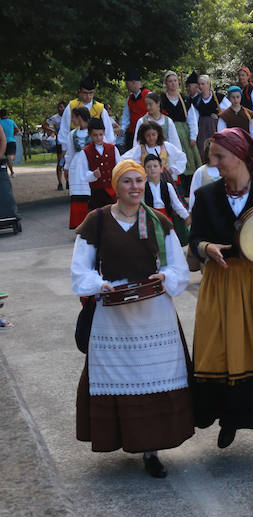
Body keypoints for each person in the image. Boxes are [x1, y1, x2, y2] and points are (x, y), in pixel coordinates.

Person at [70, 158, 194, 478]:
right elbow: (80, 269)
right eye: (128, 181)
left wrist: (164, 278)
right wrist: (100, 285)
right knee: (120, 377)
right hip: (113, 315)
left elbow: (178, 269)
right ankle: (125, 438)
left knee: (151, 378)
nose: (135, 187)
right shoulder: (96, 222)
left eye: (139, 181)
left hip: (154, 312)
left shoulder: (159, 221)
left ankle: (152, 450)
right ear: (115, 186)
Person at [188, 128, 253, 449]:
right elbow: (194, 240)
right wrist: (207, 248)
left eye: (220, 157)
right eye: (212, 158)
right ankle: (229, 419)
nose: (214, 164)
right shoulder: (206, 195)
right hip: (221, 283)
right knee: (222, 350)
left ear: (239, 155)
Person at [68, 116, 118, 213]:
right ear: (89, 134)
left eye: (100, 134)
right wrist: (92, 175)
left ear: (104, 132)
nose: (98, 138)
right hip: (96, 193)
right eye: (95, 135)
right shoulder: (85, 152)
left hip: (113, 191)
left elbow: (119, 167)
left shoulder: (113, 149)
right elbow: (83, 174)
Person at [159, 71, 201, 183]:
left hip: (184, 133)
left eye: (175, 80)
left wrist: (193, 137)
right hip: (167, 133)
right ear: (166, 83)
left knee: (188, 160)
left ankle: (189, 188)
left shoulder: (185, 99)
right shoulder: (161, 100)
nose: (173, 83)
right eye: (170, 81)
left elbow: (192, 119)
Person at [142, 152, 190, 245]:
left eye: (155, 166)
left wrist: (186, 215)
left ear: (161, 169)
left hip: (166, 218)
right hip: (151, 218)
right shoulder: (143, 187)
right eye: (149, 167)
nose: (152, 169)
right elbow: (141, 206)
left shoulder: (168, 186)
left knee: (170, 242)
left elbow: (176, 204)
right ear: (144, 170)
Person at [124, 120, 186, 186]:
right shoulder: (140, 149)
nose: (151, 138)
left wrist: (172, 169)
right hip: (146, 182)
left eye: (153, 135)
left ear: (158, 134)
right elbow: (124, 160)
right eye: (148, 135)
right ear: (143, 136)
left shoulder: (165, 146)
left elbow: (181, 157)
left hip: (165, 180)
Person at [59, 80, 116, 149]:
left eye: (91, 93)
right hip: (76, 143)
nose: (88, 96)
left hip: (95, 145)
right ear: (79, 92)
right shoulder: (71, 106)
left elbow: (108, 130)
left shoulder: (100, 108)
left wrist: (110, 146)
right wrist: (64, 148)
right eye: (85, 93)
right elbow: (64, 128)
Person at [63, 106, 93, 228]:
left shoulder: (93, 132)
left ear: (79, 117)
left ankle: (92, 223)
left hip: (90, 165)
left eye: (73, 117)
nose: (72, 120)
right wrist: (66, 167)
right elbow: (69, 152)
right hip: (76, 168)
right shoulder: (72, 134)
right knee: (78, 194)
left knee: (90, 194)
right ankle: (79, 224)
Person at [189, 73, 222, 155]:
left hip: (215, 127)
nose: (201, 86)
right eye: (199, 84)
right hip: (202, 129)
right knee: (203, 151)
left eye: (203, 84)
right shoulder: (196, 100)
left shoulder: (218, 97)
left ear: (208, 84)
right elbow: (194, 117)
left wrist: (218, 116)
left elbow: (228, 111)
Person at [118, 68, 150, 146]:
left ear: (133, 82)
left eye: (127, 83)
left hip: (146, 132)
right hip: (132, 134)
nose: (126, 86)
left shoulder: (148, 95)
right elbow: (126, 115)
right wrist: (123, 128)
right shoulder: (129, 98)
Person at [187, 136, 220, 211]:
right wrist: (192, 210)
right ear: (207, 154)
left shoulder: (225, 170)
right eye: (212, 154)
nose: (215, 157)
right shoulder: (201, 171)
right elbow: (193, 193)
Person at [0, 110, 19, 176]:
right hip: (11, 140)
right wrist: (12, 134)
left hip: (2, 142)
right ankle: (10, 159)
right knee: (11, 155)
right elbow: (17, 130)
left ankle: (12, 172)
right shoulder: (11, 121)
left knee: (5, 157)